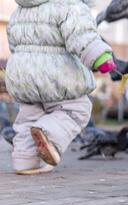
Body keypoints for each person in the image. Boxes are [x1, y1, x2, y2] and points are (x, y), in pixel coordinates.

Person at [5, 0, 116, 175]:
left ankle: (25, 160)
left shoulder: (21, 9)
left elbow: (12, 41)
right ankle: (48, 133)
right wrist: (100, 57)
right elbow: (82, 35)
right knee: (77, 109)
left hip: (21, 74)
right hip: (56, 74)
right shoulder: (69, 5)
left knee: (28, 117)